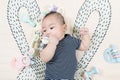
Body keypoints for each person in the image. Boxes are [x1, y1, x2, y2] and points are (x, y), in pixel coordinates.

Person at [40, 11, 90, 79]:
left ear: (64, 28)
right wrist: (52, 44)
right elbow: (44, 58)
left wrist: (85, 35)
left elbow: (84, 46)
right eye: (44, 30)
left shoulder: (71, 40)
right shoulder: (48, 44)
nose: (47, 32)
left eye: (51, 28)